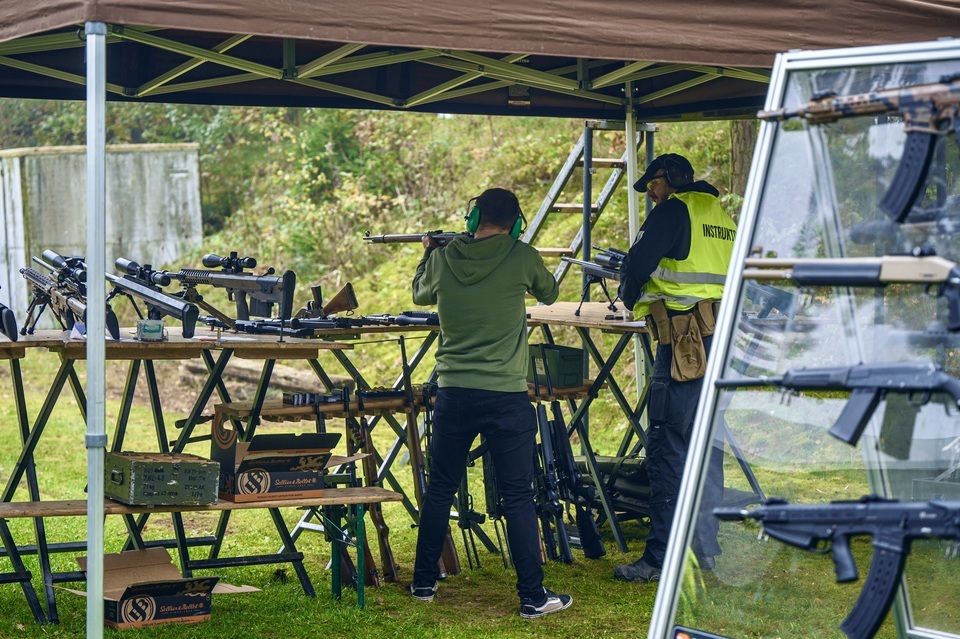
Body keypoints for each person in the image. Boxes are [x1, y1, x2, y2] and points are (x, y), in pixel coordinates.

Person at [409, 187, 572, 619]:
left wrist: (429, 252)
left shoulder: (444, 259)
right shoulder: (522, 256)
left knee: (440, 488)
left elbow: (419, 294)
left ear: (473, 218)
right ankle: (532, 597)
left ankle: (423, 581)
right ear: (516, 222)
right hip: (505, 394)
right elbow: (551, 293)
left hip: (454, 392)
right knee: (519, 496)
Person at [613, 153, 736, 583]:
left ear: (675, 179)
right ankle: (705, 549)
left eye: (654, 183)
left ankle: (661, 558)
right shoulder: (718, 214)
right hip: (719, 341)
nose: (650, 192)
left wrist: (629, 298)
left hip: (685, 343)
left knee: (668, 446)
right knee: (709, 445)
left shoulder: (675, 209)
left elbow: (635, 263)